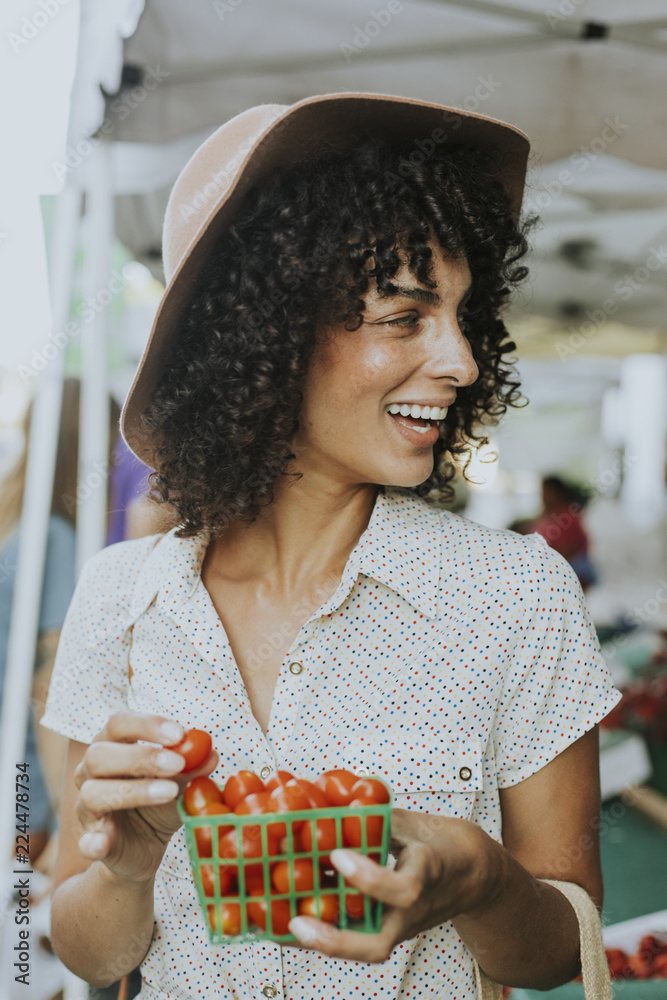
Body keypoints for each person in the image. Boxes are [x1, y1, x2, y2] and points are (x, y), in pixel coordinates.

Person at [40, 94, 622, 999]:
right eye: (404, 316)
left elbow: (558, 953)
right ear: (262, 335)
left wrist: (479, 875)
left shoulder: (516, 595)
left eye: (464, 318)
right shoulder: (119, 598)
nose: (462, 363)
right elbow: (90, 952)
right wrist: (125, 869)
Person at [0, 378, 119, 865]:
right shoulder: (54, 540)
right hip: (25, 803)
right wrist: (67, 833)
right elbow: (50, 688)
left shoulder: (15, 527)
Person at [528, 475, 597, 591]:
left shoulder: (567, 516)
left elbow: (568, 550)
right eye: (542, 493)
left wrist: (544, 565)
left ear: (558, 493)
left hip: (573, 567)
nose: (543, 497)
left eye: (547, 493)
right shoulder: (544, 516)